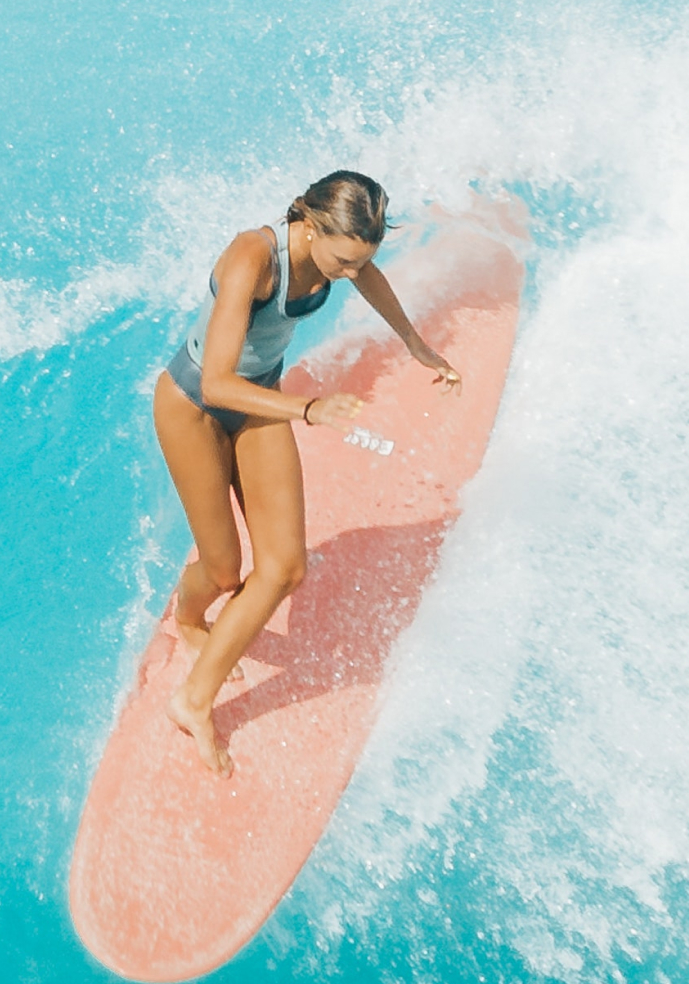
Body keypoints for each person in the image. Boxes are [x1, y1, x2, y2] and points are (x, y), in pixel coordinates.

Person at [153, 170, 461, 775]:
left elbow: (367, 274)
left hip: (257, 400)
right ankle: (187, 616)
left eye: (359, 260)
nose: (349, 272)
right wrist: (309, 410)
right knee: (222, 570)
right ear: (311, 224)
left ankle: (192, 700)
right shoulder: (252, 256)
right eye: (342, 259)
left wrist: (413, 342)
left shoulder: (342, 257)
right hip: (194, 407)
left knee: (284, 567)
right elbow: (217, 381)